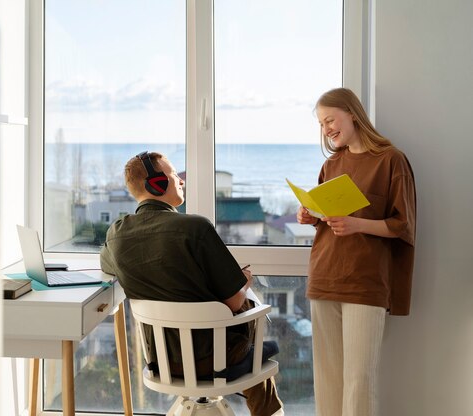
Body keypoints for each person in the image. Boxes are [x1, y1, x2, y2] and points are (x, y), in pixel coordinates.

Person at [101, 151, 283, 416]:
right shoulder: (195, 228)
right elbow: (233, 301)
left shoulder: (115, 233)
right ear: (157, 184)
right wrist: (244, 282)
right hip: (211, 361)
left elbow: (107, 266)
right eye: (174, 175)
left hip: (162, 363)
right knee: (246, 306)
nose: (181, 181)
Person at [297, 87, 416, 416]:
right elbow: (329, 221)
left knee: (359, 380)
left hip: (365, 282)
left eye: (330, 120)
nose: (327, 129)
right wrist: (310, 216)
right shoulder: (332, 164)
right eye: (321, 124)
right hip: (324, 276)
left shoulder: (391, 160)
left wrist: (357, 224)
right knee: (329, 378)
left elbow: (402, 225)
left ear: (352, 114)